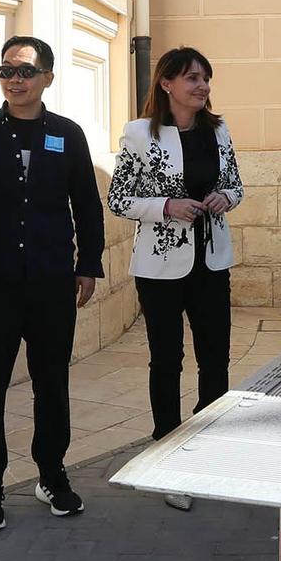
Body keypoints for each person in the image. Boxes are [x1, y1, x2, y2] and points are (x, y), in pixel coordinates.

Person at [0, 36, 105, 529]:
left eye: (26, 72)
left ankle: (52, 473)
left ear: (47, 78)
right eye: (6, 71)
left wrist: (89, 263)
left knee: (52, 384)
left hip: (52, 283)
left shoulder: (68, 135)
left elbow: (88, 205)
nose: (15, 80)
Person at [109, 47, 244, 510]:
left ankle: (210, 447)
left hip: (211, 261)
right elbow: (119, 198)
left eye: (206, 78)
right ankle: (166, 451)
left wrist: (226, 197)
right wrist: (167, 206)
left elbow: (235, 184)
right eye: (192, 78)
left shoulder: (219, 130)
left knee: (216, 358)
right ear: (167, 83)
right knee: (166, 360)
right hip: (160, 267)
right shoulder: (139, 134)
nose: (203, 86)